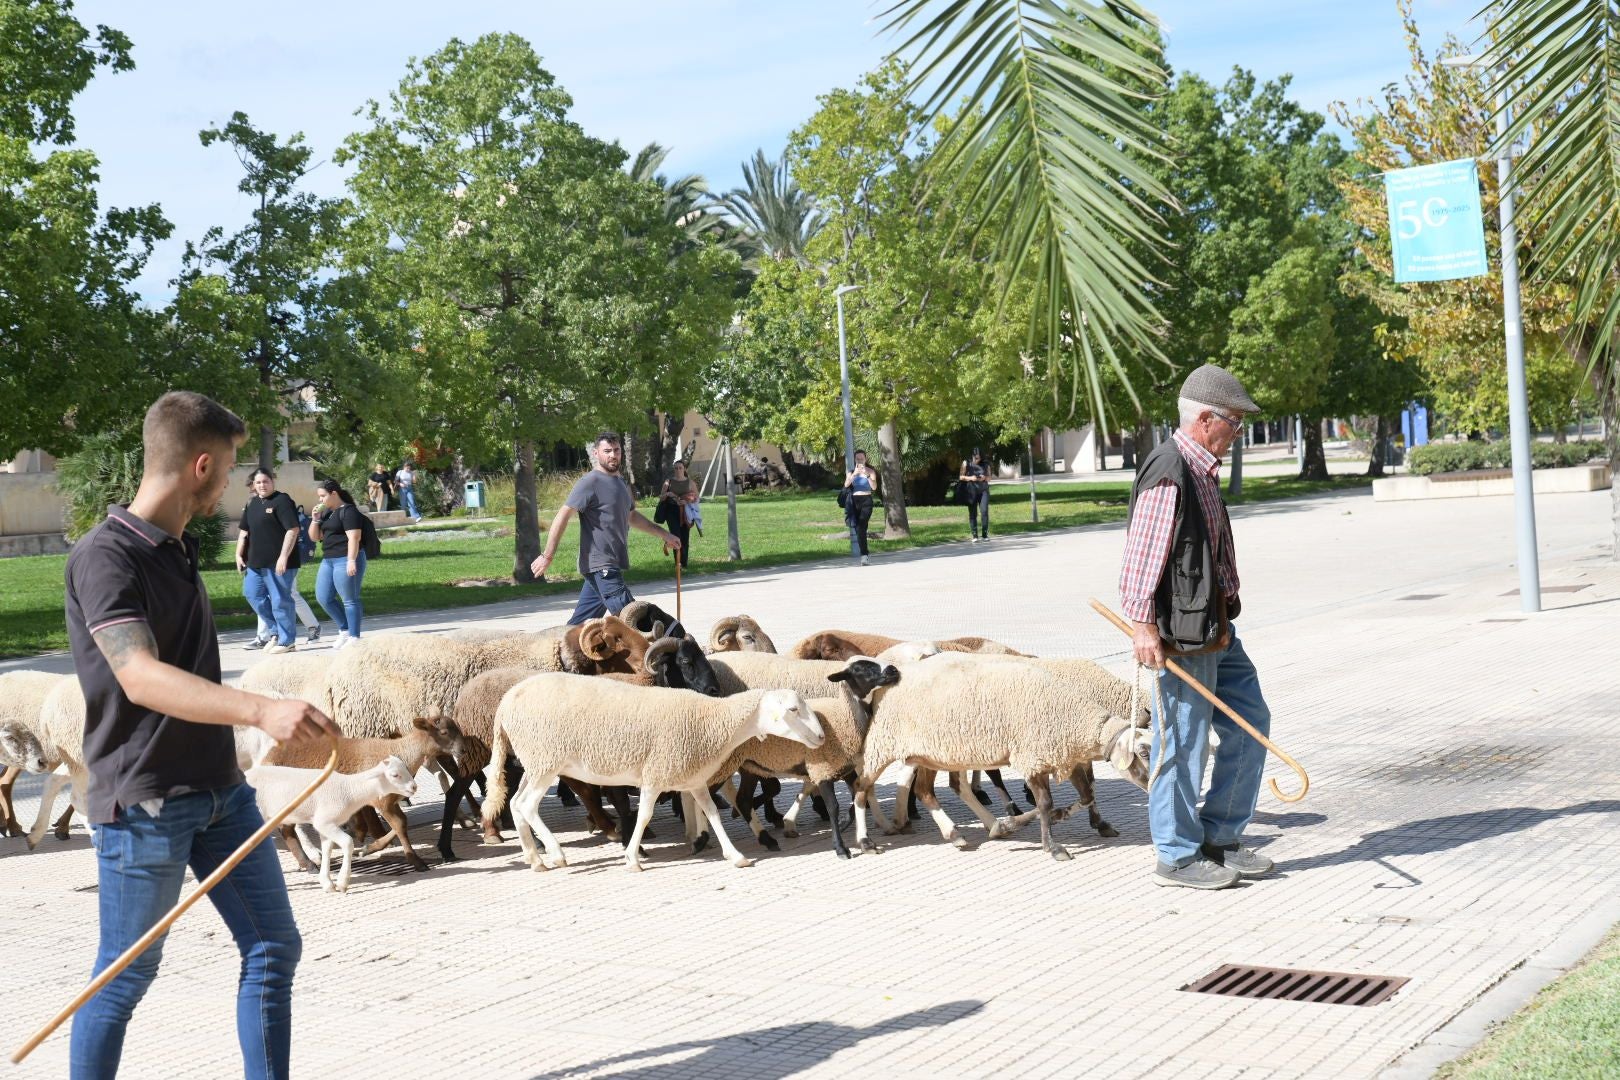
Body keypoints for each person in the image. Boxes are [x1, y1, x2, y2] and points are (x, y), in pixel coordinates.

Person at [63, 390, 338, 1078]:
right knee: (122, 977)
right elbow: (139, 676)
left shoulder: (176, 546)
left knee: (275, 947)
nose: (236, 482)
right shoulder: (105, 557)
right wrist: (259, 710)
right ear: (202, 465)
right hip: (146, 801)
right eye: (233, 466)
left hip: (221, 792)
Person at [1119, 363, 1273, 891]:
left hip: (1215, 628)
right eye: (1235, 422)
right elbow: (1142, 557)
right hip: (1181, 636)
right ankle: (1177, 856)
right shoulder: (1170, 469)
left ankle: (1219, 835)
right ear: (1206, 419)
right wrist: (1143, 627)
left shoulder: (1201, 469)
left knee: (1252, 722)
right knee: (1181, 742)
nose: (1238, 433)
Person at [530, 431, 681, 625]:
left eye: (616, 450)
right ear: (596, 453)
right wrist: (547, 555)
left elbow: (632, 516)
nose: (613, 455)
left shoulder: (621, 483)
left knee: (578, 626)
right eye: (607, 451)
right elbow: (563, 515)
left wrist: (664, 534)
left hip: (610, 563)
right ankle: (665, 652)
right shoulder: (590, 482)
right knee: (635, 620)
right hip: (601, 564)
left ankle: (558, 651)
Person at [235, 468, 304, 655]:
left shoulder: (282, 501)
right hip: (256, 562)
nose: (262, 485)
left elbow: (293, 530)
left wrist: (283, 556)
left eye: (265, 481)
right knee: (253, 594)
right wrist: (238, 553)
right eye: (258, 482)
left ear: (272, 481)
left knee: (280, 599)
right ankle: (275, 632)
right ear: (253, 485)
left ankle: (287, 640)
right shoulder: (253, 503)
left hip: (279, 562)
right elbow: (244, 531)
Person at [310, 480, 368, 649]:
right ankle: (345, 629)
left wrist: (351, 560)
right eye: (319, 497)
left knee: (350, 599)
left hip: (346, 559)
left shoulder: (349, 511)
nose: (320, 500)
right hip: (328, 560)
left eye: (323, 496)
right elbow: (315, 537)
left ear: (334, 493)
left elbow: (354, 538)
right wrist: (315, 520)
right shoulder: (329, 513)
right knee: (323, 597)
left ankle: (354, 636)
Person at [843, 449, 878, 566]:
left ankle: (864, 555)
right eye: (857, 459)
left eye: (861, 459)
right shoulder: (851, 472)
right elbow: (846, 485)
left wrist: (867, 475)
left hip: (866, 501)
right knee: (859, 529)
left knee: (861, 526)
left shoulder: (871, 471)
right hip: (854, 502)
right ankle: (865, 554)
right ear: (855, 460)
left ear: (865, 459)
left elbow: (874, 487)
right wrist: (854, 475)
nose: (859, 461)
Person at [659, 461, 696, 568]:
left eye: (680, 468)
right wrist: (667, 494)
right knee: (676, 536)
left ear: (684, 469)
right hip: (672, 511)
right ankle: (678, 563)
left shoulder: (690, 482)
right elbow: (661, 497)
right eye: (676, 468)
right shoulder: (668, 481)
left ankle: (684, 564)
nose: (678, 470)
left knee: (685, 537)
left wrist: (688, 501)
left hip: (686, 512)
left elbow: (697, 498)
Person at [959, 449, 991, 542]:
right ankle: (975, 535)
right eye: (975, 457)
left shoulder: (985, 464)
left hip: (983, 491)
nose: (976, 460)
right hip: (971, 491)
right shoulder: (966, 463)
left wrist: (984, 478)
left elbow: (989, 478)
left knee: (984, 511)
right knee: (973, 513)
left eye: (978, 458)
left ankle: (985, 534)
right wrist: (970, 478)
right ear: (972, 456)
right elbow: (961, 476)